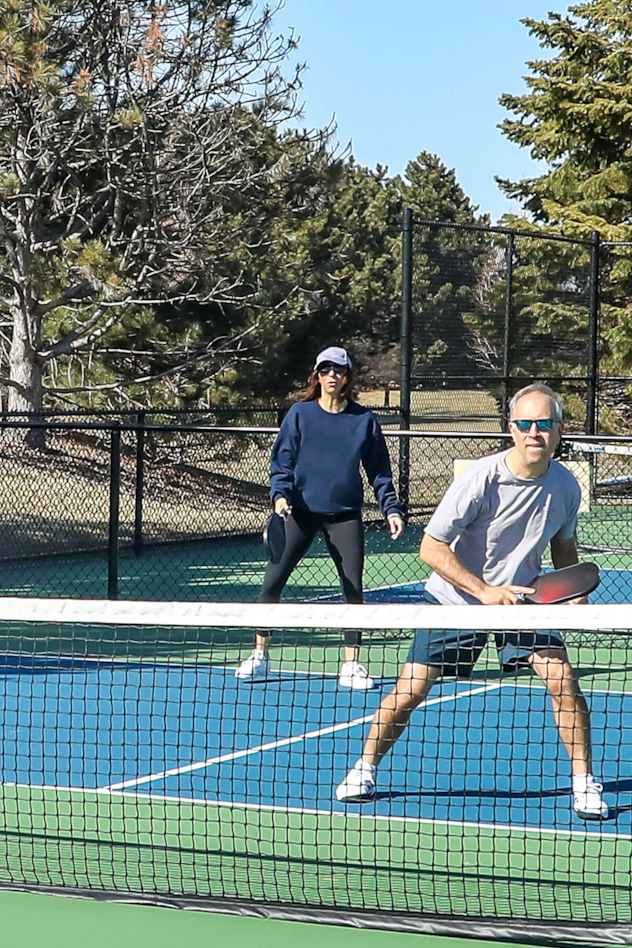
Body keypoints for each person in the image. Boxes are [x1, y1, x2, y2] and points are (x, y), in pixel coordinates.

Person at [334, 383, 611, 821]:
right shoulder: (480, 479)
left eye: (544, 424)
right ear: (511, 429)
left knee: (561, 679)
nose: (533, 433)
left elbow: (563, 546)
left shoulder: (565, 487)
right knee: (410, 692)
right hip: (457, 599)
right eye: (525, 424)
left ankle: (584, 784)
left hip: (523, 602)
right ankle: (363, 769)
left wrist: (567, 592)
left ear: (559, 430)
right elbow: (430, 547)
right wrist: (483, 592)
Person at [241, 345, 404, 689]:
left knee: (352, 588)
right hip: (298, 513)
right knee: (272, 583)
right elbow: (282, 461)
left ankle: (352, 664)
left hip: (344, 517)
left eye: (339, 370)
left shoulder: (364, 421)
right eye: (326, 369)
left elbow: (379, 471)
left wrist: (390, 507)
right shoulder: (300, 414)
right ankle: (259, 656)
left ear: (347, 378)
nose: (333, 375)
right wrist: (280, 495)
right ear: (317, 375)